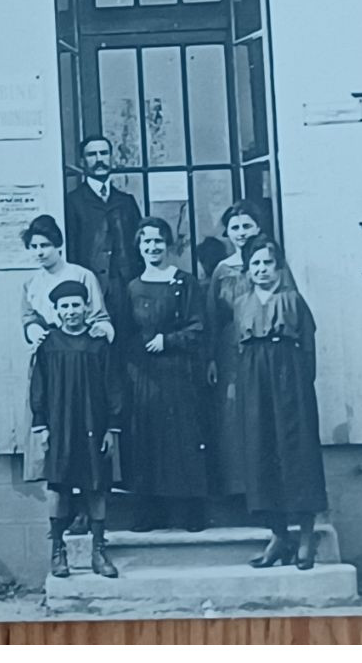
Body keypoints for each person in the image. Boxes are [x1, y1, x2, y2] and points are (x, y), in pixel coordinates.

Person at [230, 235, 327, 570]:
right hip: (254, 381)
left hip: (290, 379)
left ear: (279, 266)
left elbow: (309, 349)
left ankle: (304, 538)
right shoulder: (241, 303)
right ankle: (278, 535)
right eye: (254, 263)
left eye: (267, 263)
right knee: (261, 451)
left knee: (296, 452)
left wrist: (300, 385)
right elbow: (237, 349)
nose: (261, 269)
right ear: (247, 269)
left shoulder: (293, 300)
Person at [121, 216, 210, 532]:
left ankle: (189, 513)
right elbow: (126, 333)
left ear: (168, 245)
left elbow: (198, 326)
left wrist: (168, 340)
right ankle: (150, 513)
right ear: (139, 247)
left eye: (158, 241)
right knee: (147, 440)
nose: (152, 247)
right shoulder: (133, 286)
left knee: (182, 440)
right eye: (146, 242)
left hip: (177, 372)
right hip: (144, 377)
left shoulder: (183, 282)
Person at [29, 279, 122, 580]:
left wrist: (113, 426)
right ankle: (58, 551)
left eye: (76, 305)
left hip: (94, 424)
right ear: (56, 310)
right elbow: (38, 387)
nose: (71, 312)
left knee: (96, 487)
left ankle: (98, 550)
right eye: (65, 307)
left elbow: (114, 388)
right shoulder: (49, 345)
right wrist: (41, 424)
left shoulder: (99, 345)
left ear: (86, 307)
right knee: (60, 487)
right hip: (60, 425)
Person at [205, 201, 297, 499]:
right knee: (234, 415)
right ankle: (239, 488)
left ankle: (271, 490)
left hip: (267, 351)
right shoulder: (223, 269)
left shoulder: (272, 266)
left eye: (247, 226)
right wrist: (211, 358)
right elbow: (212, 317)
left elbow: (289, 307)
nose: (241, 233)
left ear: (259, 228)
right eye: (235, 228)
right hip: (230, 352)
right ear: (228, 233)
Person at [64, 136, 144, 354]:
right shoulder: (72, 202)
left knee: (128, 351)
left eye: (103, 153)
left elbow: (140, 246)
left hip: (127, 290)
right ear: (82, 161)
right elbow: (70, 250)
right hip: (92, 290)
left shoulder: (126, 202)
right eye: (92, 155)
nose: (99, 160)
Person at [20, 214, 114, 346]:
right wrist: (33, 329)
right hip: (49, 348)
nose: (39, 252)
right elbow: (29, 316)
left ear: (58, 245)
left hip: (81, 346)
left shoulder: (82, 275)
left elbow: (99, 316)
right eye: (34, 247)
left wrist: (100, 329)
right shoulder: (31, 283)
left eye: (45, 245)